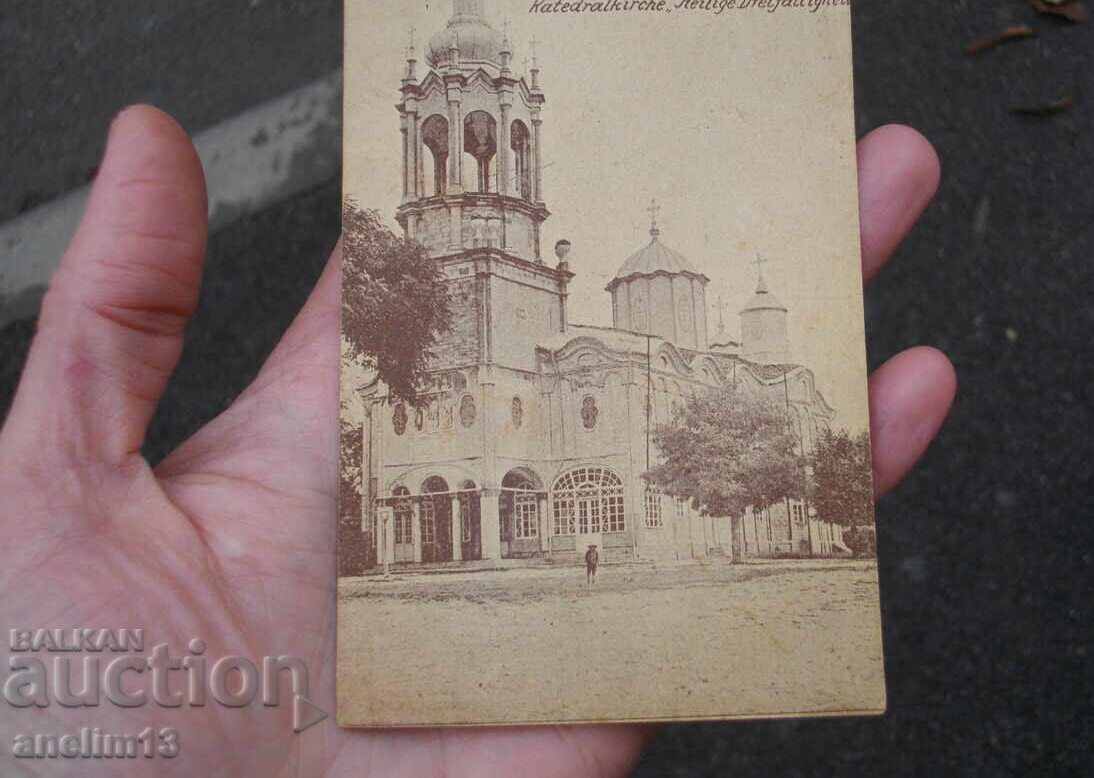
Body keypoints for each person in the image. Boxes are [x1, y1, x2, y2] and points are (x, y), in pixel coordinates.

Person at [0, 107, 955, 775]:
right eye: (450, 136)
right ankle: (457, 521)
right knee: (447, 484)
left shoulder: (712, 362)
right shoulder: (442, 296)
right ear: (436, 136)